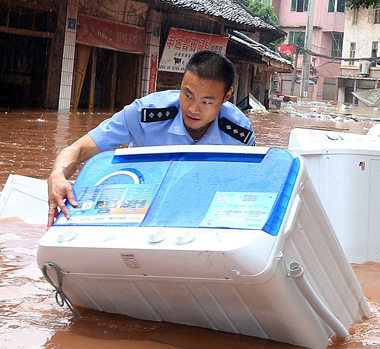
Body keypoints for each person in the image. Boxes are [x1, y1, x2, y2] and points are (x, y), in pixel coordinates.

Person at [47, 50, 255, 227]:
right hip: (137, 206)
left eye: (206, 102)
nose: (193, 108)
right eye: (188, 95)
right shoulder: (145, 114)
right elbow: (79, 149)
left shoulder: (239, 134)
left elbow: (245, 187)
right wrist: (57, 175)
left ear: (226, 97)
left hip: (197, 214)